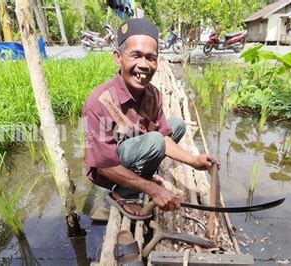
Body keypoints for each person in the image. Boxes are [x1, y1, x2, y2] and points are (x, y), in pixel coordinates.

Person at [82, 18, 218, 219]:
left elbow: (163, 136)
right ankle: (123, 193)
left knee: (176, 126)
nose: (144, 65)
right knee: (154, 141)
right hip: (109, 167)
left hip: (135, 146)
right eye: (135, 56)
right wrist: (153, 190)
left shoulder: (153, 94)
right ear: (118, 58)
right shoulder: (98, 102)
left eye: (151, 58)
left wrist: (194, 161)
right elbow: (104, 166)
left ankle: (141, 174)